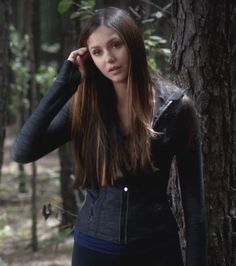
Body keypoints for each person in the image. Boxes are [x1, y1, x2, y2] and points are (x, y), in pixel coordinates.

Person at [11, 7, 207, 266]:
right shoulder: (84, 106)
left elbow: (195, 210)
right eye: (97, 52)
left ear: (133, 44)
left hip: (157, 250)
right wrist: (62, 85)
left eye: (116, 45)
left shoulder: (176, 108)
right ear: (89, 58)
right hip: (93, 250)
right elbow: (23, 151)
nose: (109, 59)